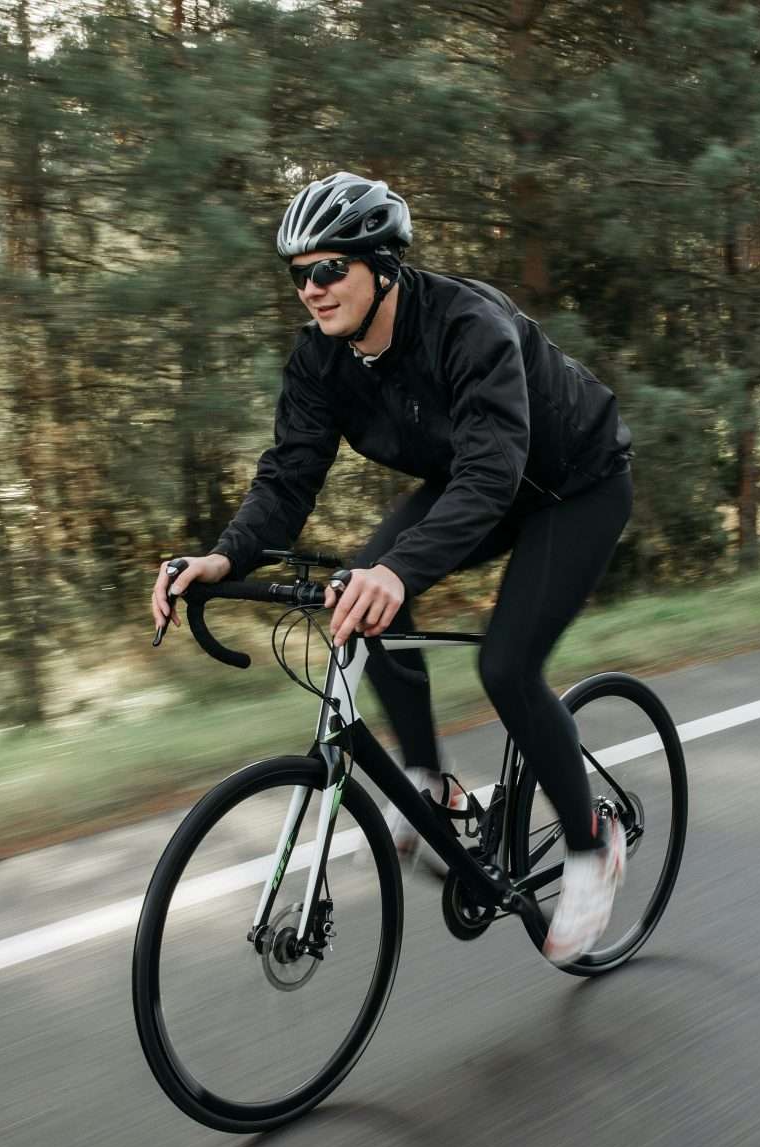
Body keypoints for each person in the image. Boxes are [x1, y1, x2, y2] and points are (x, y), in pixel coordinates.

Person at [150, 172, 635, 963]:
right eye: (297, 274)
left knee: (506, 663)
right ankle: (429, 780)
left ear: (381, 263)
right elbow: (288, 476)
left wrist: (400, 573)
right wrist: (224, 556)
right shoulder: (321, 364)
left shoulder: (468, 326)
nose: (310, 289)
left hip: (576, 485)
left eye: (328, 268)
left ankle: (590, 849)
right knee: (363, 583)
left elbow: (491, 471)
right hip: (484, 484)